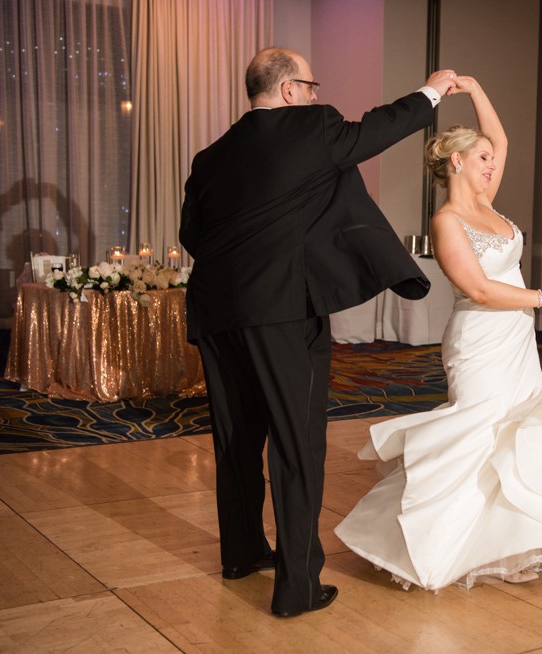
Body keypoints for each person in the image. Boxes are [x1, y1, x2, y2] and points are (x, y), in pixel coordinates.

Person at [179, 47, 458, 617]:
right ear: (288, 91)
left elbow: (192, 235)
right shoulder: (313, 125)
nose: (315, 94)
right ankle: (298, 588)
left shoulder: (209, 157)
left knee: (236, 440)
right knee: (296, 444)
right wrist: (430, 92)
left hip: (216, 313)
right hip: (282, 312)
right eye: (310, 85)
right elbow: (376, 130)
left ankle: (240, 554)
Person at [334, 77, 542, 591]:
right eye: (482, 158)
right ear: (457, 162)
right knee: (476, 434)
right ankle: (434, 542)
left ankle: (513, 543)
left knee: (515, 436)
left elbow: (504, 139)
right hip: (479, 340)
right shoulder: (448, 219)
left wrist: (472, 88)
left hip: (515, 341)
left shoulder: (488, 203)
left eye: (492, 159)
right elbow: (480, 288)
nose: (493, 164)